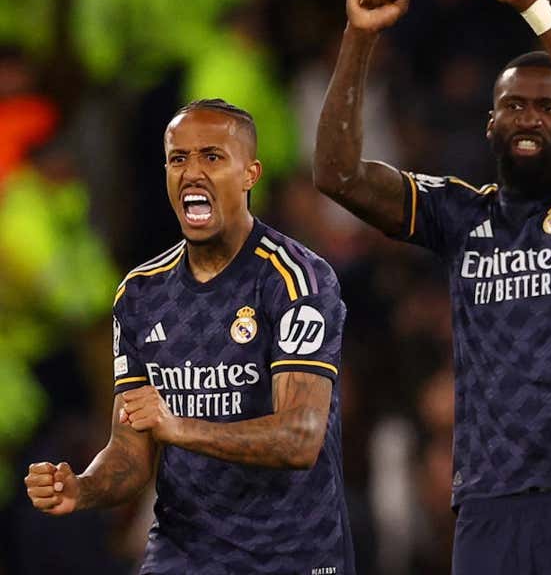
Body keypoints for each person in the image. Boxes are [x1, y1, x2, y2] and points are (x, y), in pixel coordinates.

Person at [312, 0, 551, 575]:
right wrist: (360, 39)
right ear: (490, 124)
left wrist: (534, 8)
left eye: (549, 108)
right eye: (515, 106)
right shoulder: (460, 216)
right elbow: (337, 175)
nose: (529, 117)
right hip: (487, 501)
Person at [24, 99, 353, 574]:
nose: (192, 172)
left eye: (212, 157)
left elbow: (300, 437)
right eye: (178, 158)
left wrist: (179, 428)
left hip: (291, 554)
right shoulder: (139, 295)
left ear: (250, 174)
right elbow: (131, 451)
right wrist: (85, 487)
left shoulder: (295, 280)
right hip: (185, 552)